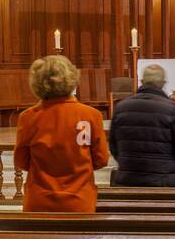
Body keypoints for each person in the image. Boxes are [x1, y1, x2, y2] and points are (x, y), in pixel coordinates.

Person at [13, 55, 109, 212]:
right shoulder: (91, 115)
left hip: (39, 201)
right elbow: (101, 159)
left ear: (37, 82)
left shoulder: (28, 117)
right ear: (71, 78)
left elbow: (21, 161)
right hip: (80, 201)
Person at [108, 64, 175, 186]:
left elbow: (113, 147)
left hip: (128, 181)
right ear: (163, 83)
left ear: (142, 82)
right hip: (163, 183)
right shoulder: (172, 109)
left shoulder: (121, 107)